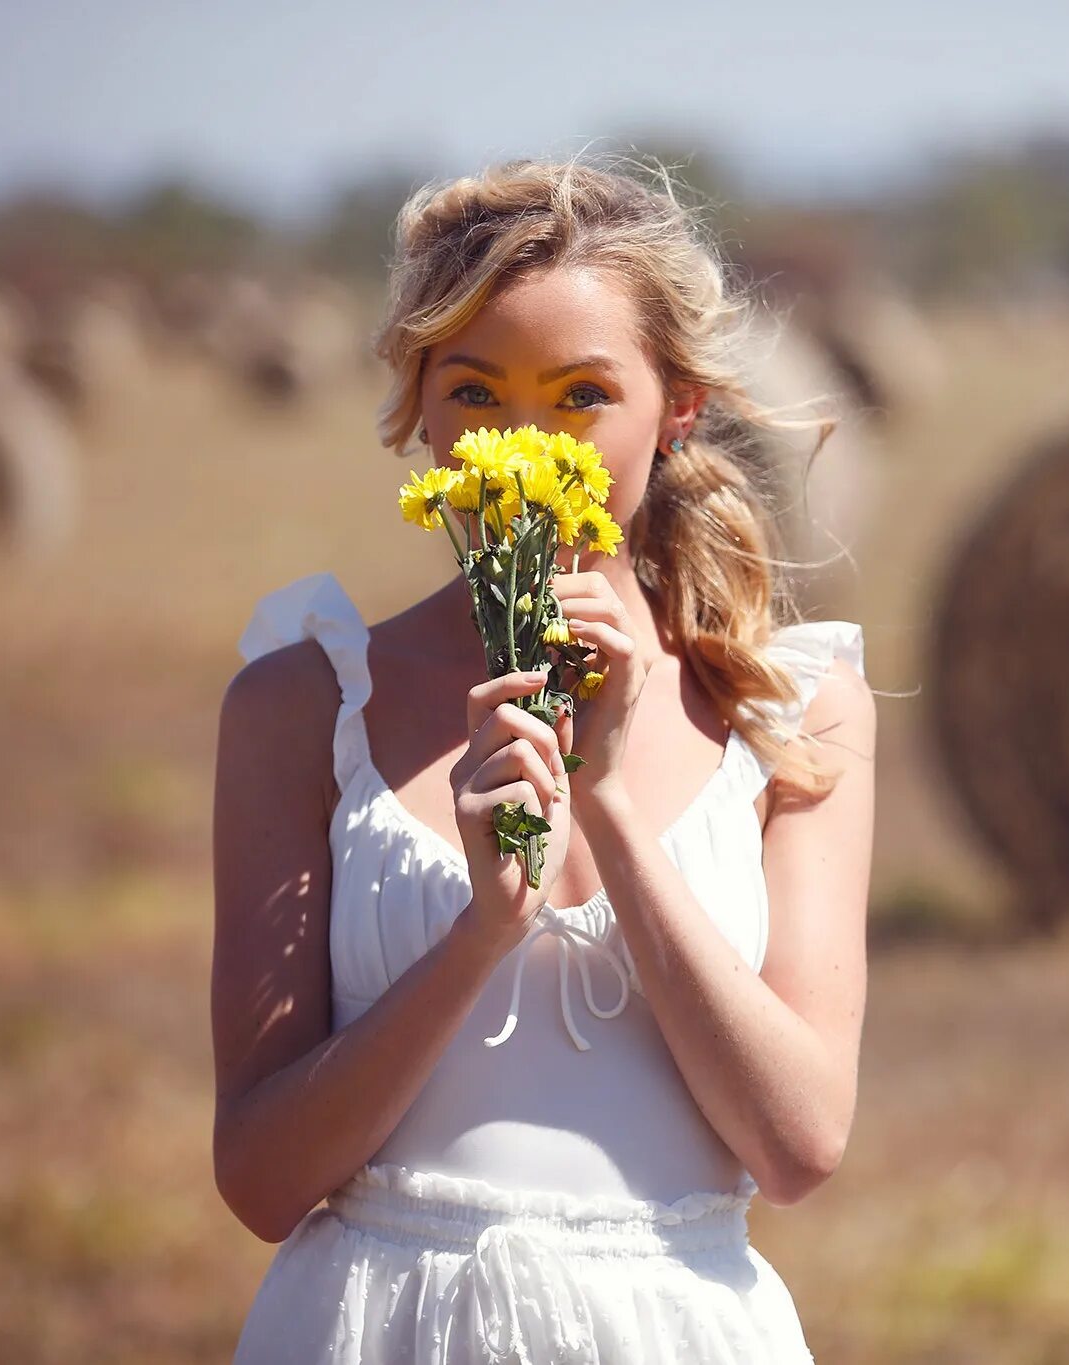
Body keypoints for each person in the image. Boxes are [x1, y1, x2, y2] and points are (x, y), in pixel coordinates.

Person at [209, 154, 875, 1363]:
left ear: (676, 407)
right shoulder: (300, 704)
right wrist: (477, 935)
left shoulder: (794, 707)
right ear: (417, 406)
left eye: (581, 396)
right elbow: (261, 1181)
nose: (522, 444)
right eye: (474, 392)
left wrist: (607, 803)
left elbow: (797, 1147)